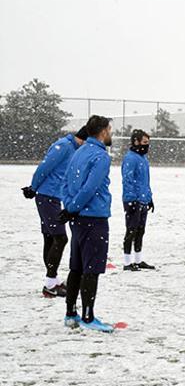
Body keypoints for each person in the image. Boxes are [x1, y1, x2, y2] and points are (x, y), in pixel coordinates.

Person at [59, 115, 115, 332]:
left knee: (77, 266)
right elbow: (90, 188)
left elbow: (65, 183)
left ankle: (70, 313)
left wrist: (70, 208)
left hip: (78, 218)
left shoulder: (79, 151)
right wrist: (73, 208)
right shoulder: (101, 156)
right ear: (102, 131)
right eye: (109, 129)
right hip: (93, 217)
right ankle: (88, 317)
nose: (110, 133)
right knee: (91, 268)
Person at [21, 126, 88, 297]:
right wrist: (33, 187)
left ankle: (53, 281)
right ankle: (50, 284)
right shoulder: (64, 146)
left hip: (54, 197)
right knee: (60, 238)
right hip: (47, 196)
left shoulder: (73, 148)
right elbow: (45, 167)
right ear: (84, 139)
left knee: (50, 238)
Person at [121, 129, 155, 271]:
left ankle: (138, 259)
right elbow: (127, 180)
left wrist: (149, 198)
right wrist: (132, 199)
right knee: (131, 230)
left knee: (141, 230)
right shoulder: (130, 158)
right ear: (136, 141)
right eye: (144, 142)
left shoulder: (143, 159)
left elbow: (145, 182)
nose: (147, 146)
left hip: (143, 200)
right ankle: (127, 262)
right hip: (133, 200)